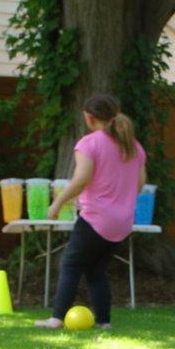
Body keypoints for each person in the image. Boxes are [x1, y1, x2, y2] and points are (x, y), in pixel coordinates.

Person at [35, 93, 147, 330]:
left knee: (71, 264)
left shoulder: (89, 143)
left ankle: (56, 319)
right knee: (96, 270)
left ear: (89, 117)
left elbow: (81, 178)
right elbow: (139, 185)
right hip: (122, 222)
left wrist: (57, 203)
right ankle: (104, 322)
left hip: (96, 218)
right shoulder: (133, 146)